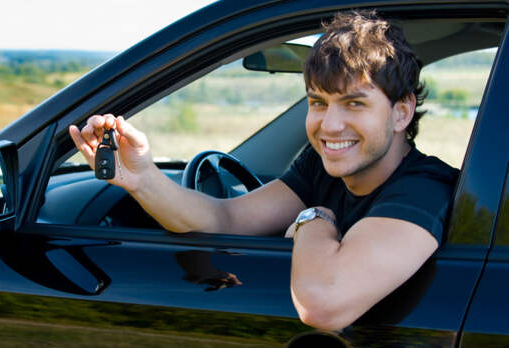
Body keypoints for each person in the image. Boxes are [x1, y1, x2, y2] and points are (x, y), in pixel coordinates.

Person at [69, 11, 459, 331]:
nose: (330, 125)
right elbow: (226, 218)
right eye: (319, 102)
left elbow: (323, 305)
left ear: (402, 112)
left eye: (354, 104)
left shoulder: (424, 190)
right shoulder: (323, 167)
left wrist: (312, 218)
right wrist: (142, 178)